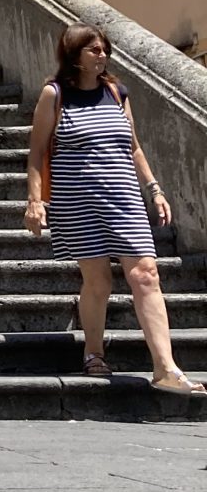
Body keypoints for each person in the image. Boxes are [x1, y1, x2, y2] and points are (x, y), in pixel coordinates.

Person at [25, 24, 202, 395]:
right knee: (98, 281)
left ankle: (165, 367)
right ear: (74, 55)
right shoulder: (53, 94)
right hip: (77, 202)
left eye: (104, 48)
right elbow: (38, 152)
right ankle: (93, 351)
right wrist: (35, 202)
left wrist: (154, 190)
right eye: (93, 49)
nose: (102, 54)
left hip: (124, 199)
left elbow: (133, 146)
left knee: (146, 275)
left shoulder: (115, 91)